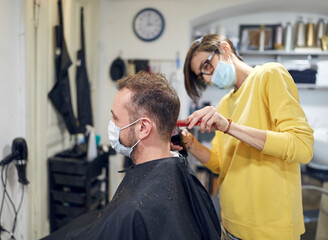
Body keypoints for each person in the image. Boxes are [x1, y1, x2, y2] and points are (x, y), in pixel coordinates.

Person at [42, 71, 221, 240]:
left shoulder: (135, 209)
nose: (111, 125)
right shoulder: (177, 170)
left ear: (143, 127)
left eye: (116, 119)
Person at [173, 34, 314, 240]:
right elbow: (220, 164)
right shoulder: (224, 104)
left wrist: (229, 126)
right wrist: (189, 142)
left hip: (269, 229)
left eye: (207, 66)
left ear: (225, 48)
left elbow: (302, 147)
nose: (208, 78)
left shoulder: (270, 75)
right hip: (230, 223)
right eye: (201, 76)